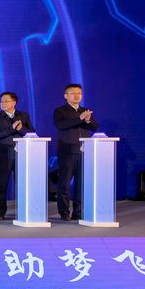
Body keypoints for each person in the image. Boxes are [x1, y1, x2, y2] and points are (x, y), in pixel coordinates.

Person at [53, 83, 99, 221]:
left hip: (84, 151)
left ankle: (77, 212)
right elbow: (61, 125)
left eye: (79, 93)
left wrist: (88, 120)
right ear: (66, 96)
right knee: (65, 183)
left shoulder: (85, 111)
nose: (77, 95)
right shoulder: (60, 111)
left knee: (81, 184)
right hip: (67, 151)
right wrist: (79, 118)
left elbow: (95, 127)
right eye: (73, 93)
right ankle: (64, 212)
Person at [0, 91, 34, 220]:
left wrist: (21, 129)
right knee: (2, 183)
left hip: (22, 153)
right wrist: (12, 128)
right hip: (3, 153)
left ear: (14, 102)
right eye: (1, 101)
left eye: (6, 101)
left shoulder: (23, 116)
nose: (3, 103)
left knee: (22, 183)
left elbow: (32, 132)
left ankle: (24, 212)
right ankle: (0, 212)